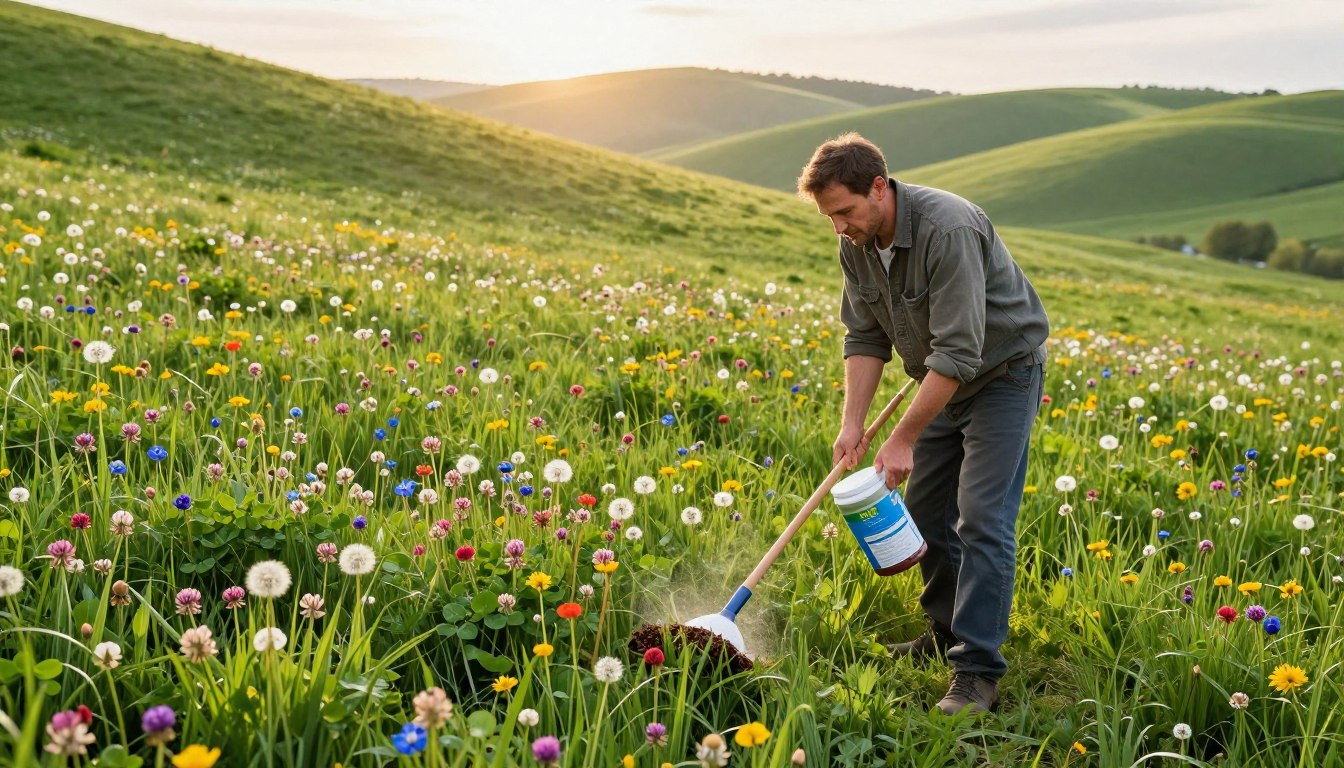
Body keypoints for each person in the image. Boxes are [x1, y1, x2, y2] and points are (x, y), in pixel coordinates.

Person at [797, 132, 1049, 715]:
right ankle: (943, 633)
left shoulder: (949, 228)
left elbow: (961, 352)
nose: (838, 226)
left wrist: (903, 436)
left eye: (845, 211)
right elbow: (864, 337)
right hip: (938, 379)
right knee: (928, 513)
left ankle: (978, 672)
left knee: (981, 519)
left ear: (879, 188)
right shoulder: (855, 243)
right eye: (829, 216)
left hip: (1001, 377)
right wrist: (852, 424)